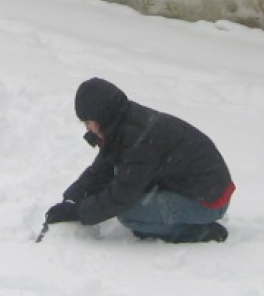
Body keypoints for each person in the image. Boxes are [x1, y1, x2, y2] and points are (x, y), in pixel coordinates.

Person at [42, 77, 234, 243]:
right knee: (120, 179)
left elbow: (122, 196)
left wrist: (78, 212)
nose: (88, 128)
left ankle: (196, 231)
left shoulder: (139, 140)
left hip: (207, 201)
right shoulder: (123, 122)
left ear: (101, 115)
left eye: (88, 122)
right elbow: (103, 168)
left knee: (131, 216)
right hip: (193, 187)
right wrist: (72, 197)